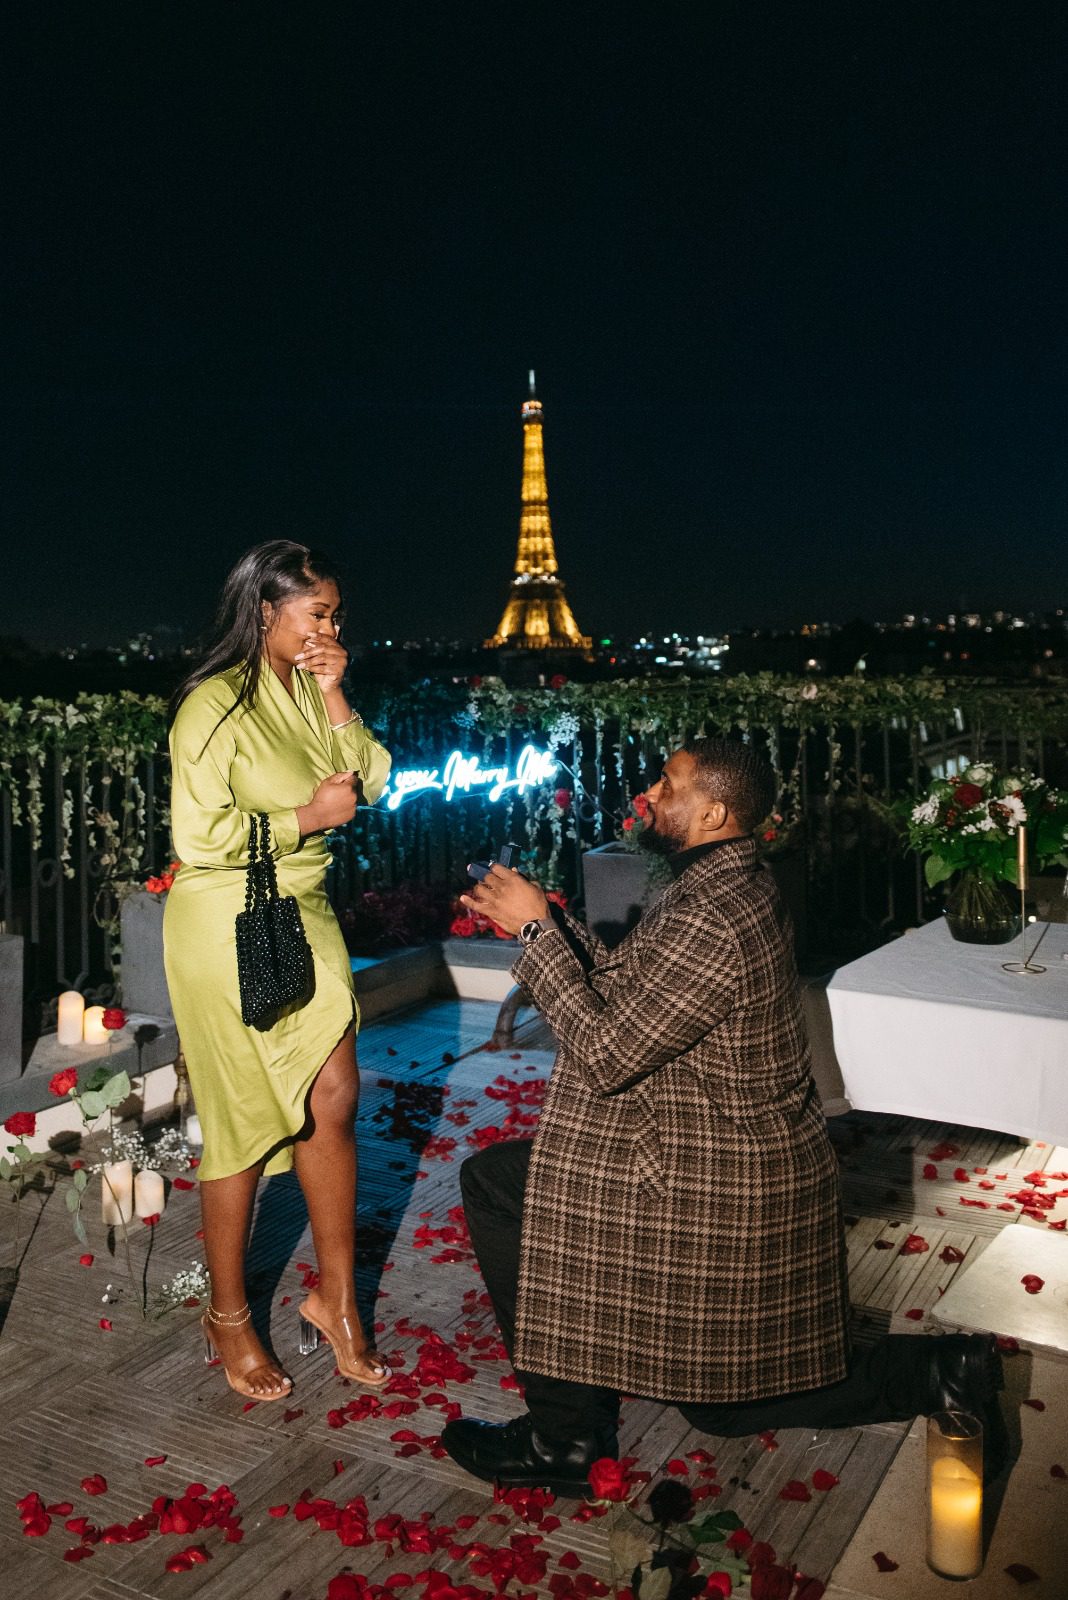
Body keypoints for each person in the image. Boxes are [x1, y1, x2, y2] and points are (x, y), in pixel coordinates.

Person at [440, 739, 1006, 1493]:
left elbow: (608, 1052)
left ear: (711, 810)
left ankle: (564, 1441)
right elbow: (634, 983)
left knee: (510, 1190)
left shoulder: (713, 910)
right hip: (723, 1153)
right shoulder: (725, 882)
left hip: (714, 1175)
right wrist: (548, 921)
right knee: (718, 1405)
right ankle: (566, 1434)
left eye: (666, 782)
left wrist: (538, 935)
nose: (650, 791)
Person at [164, 540, 392, 1400]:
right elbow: (197, 840)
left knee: (334, 1095)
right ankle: (227, 1314)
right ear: (266, 611)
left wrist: (334, 691)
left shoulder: (308, 691)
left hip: (305, 908)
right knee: (247, 1117)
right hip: (224, 919)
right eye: (318, 613)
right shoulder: (211, 708)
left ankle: (336, 1299)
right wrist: (303, 816)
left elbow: (373, 775)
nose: (332, 627)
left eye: (336, 614)